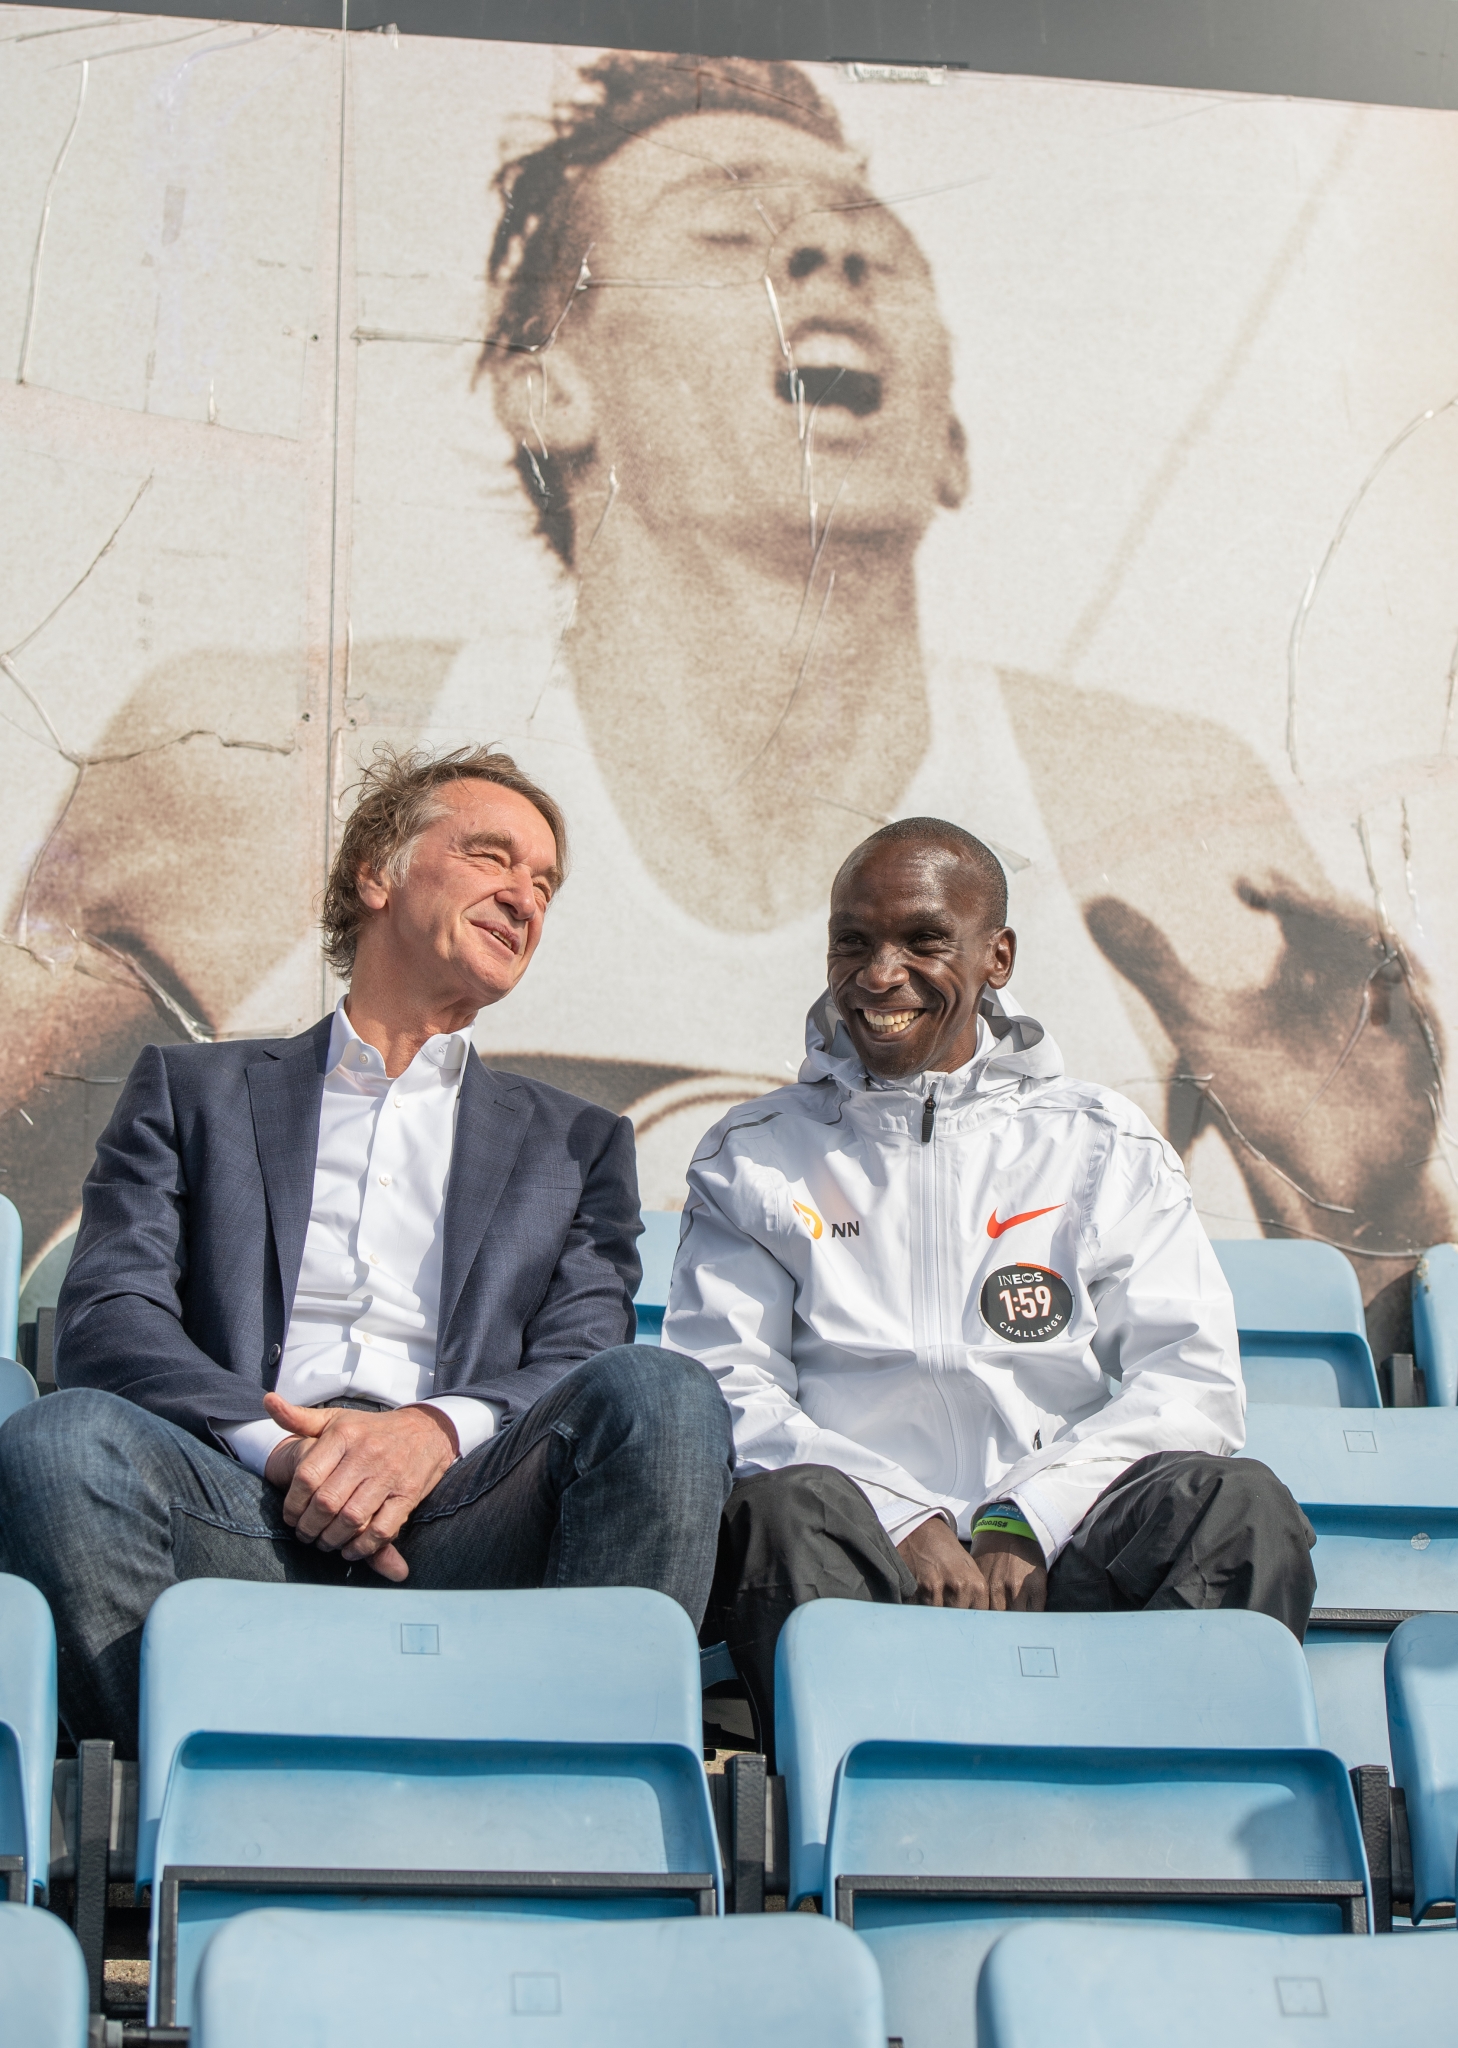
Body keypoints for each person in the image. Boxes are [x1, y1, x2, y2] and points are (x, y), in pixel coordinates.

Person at [0, 746, 734, 1757]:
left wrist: (428, 1433)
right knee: (59, 1441)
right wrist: (292, 1449)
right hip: (240, 1502)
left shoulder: (577, 1141)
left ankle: (580, 1796)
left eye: (546, 883)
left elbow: (581, 1350)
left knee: (663, 1396)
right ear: (377, 873)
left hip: (467, 1515)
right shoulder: (192, 1093)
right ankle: (199, 1789)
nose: (525, 895)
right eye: (492, 856)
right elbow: (109, 1317)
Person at [664, 816, 1316, 1754]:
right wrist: (905, 1516)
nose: (879, 974)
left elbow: (1192, 1381)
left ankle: (1174, 1815)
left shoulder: (1100, 1142)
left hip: (1068, 1550)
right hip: (860, 1566)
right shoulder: (756, 1157)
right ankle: (866, 1819)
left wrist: (1029, 1517)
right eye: (853, 942)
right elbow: (726, 1387)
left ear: (996, 956)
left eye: (924, 940)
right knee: (779, 1512)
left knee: (1241, 1509)